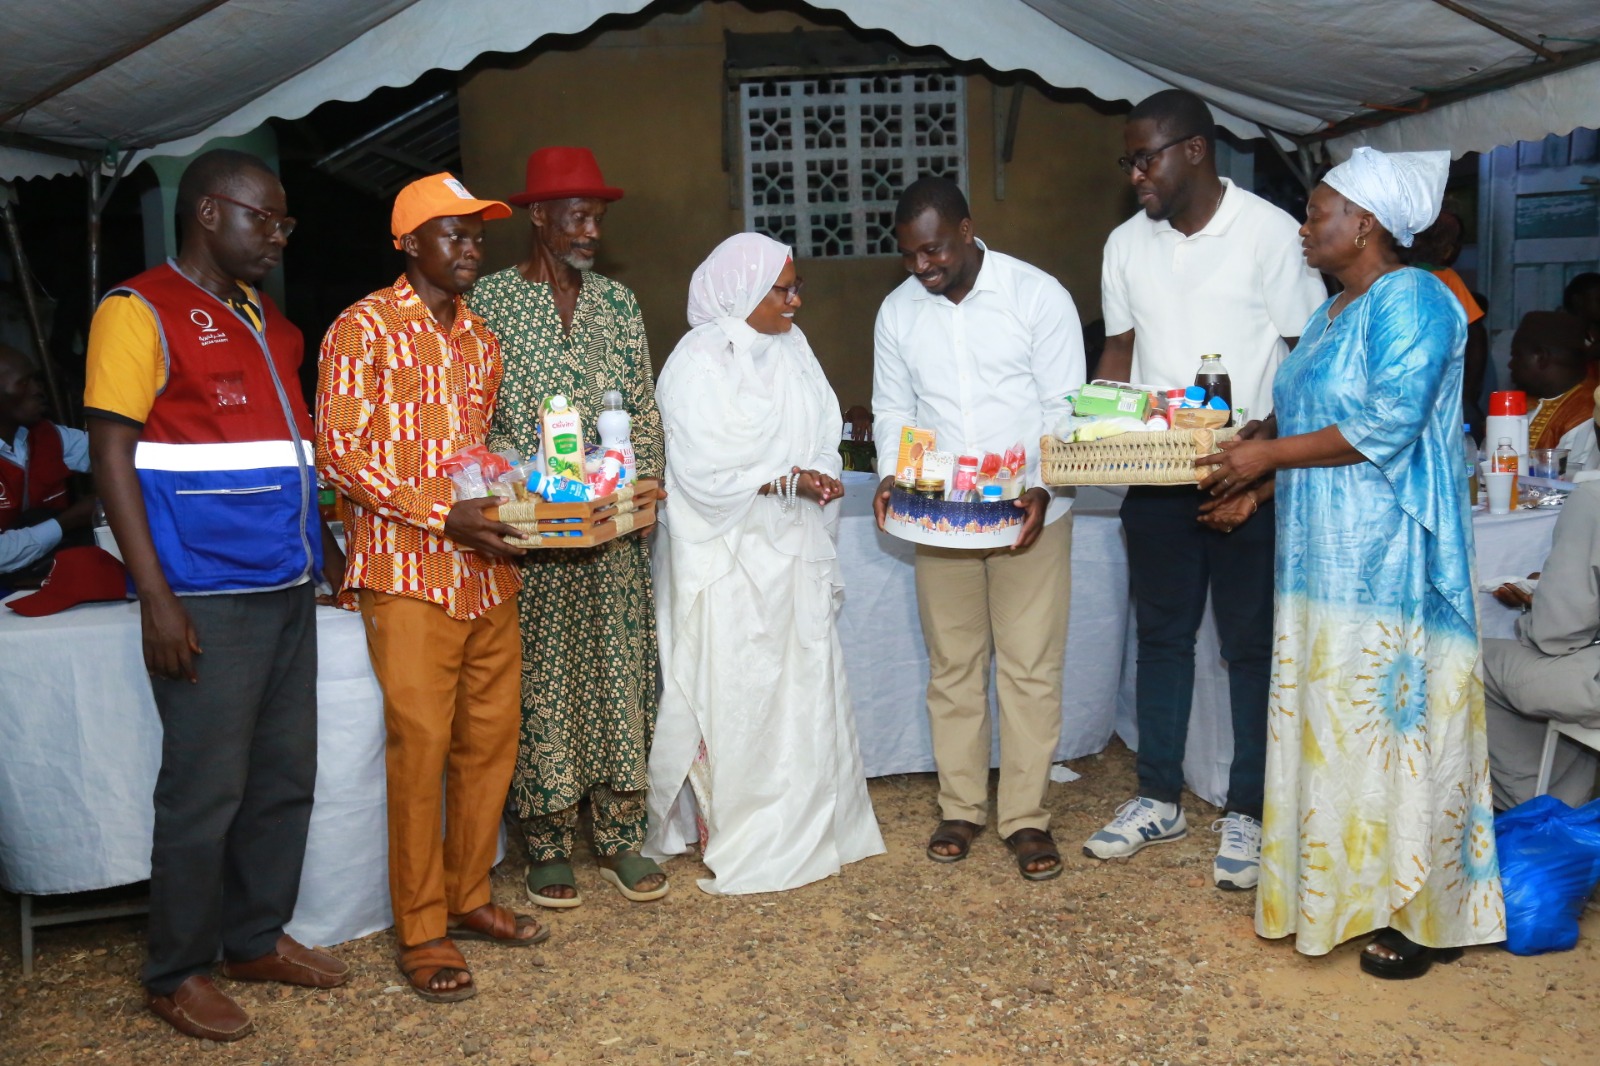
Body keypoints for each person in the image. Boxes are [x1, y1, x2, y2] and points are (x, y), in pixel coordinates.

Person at [1198, 146, 1505, 978]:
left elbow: (1390, 421)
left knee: (1398, 730)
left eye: (1316, 212)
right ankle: (1339, 894)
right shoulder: (1335, 310)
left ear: (1365, 223)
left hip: (1392, 560)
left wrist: (1266, 458)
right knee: (1337, 732)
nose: (1304, 226)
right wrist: (1258, 491)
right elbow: (1316, 433)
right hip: (1322, 562)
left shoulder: (1416, 298)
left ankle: (1425, 913)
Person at [84, 148, 348, 1041]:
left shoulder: (270, 323)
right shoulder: (137, 310)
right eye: (262, 219)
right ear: (206, 213)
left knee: (283, 778)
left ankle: (255, 938)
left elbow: (290, 452)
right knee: (205, 792)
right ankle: (176, 972)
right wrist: (155, 596)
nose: (278, 236)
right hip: (203, 591)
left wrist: (324, 552)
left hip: (286, 584)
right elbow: (111, 456)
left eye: (285, 223)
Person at [1086, 89, 1326, 890]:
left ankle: (1251, 811)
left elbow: (1308, 358)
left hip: (1247, 474)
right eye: (1129, 161)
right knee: (1161, 638)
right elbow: (1119, 351)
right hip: (1158, 475)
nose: (1135, 175)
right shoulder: (1126, 244)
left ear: (1194, 150)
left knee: (1250, 647)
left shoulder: (1268, 233)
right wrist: (1094, 427)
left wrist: (1264, 455)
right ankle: (1158, 797)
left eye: (1145, 158)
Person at [317, 173, 544, 1004]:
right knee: (420, 751)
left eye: (478, 235)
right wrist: (442, 514)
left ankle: (468, 896)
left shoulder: (482, 339)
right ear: (409, 242)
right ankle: (420, 929)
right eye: (454, 233)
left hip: (486, 574)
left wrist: (517, 493)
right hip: (408, 574)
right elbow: (339, 454)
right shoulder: (362, 328)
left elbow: (472, 452)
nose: (472, 248)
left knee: (491, 742)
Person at [642, 233, 885, 893]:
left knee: (799, 686)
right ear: (742, 290)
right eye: (782, 289)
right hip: (726, 557)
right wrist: (782, 481)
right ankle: (738, 825)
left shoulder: (794, 349)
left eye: (797, 287)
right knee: (738, 688)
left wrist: (820, 474)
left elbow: (824, 427)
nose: (795, 301)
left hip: (792, 549)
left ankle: (810, 821)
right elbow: (697, 469)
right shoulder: (696, 361)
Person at [469, 146, 669, 906]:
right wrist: (508, 490)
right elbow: (475, 417)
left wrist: (646, 491)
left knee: (619, 673)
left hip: (611, 528)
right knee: (542, 681)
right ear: (538, 216)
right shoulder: (489, 303)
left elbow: (642, 407)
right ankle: (547, 841)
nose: (591, 230)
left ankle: (620, 834)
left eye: (597, 218)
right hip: (533, 535)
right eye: (578, 216)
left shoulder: (617, 303)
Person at [871, 177, 1085, 881]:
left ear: (967, 230)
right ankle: (961, 806)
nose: (921, 266)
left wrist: (1045, 487)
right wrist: (890, 474)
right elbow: (893, 409)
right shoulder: (898, 312)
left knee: (1029, 669)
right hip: (943, 516)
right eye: (909, 255)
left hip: (1029, 514)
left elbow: (1063, 407)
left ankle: (1026, 818)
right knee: (954, 668)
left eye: (933, 250)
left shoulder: (1036, 296)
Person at [1483, 453, 1600, 809]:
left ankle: (1533, 810)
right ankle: (1567, 807)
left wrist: (1536, 605)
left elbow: (1558, 634)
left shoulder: (1593, 497)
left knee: (1468, 656)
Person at [0, 343, 94, 580]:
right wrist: (66, 522)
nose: (38, 390)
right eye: (24, 382)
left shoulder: (48, 436)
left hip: (46, 577)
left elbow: (114, 454)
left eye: (37, 380)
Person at [1404, 210, 1489, 435]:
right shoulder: (1446, 277)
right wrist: (1470, 392)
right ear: (1448, 249)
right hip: (1442, 385)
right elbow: (1475, 332)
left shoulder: (1395, 276)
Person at [1508, 310, 1598, 473]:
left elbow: (1571, 482)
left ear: (1541, 357)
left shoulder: (1588, 412)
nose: (1510, 364)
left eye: (1516, 356)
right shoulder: (1533, 401)